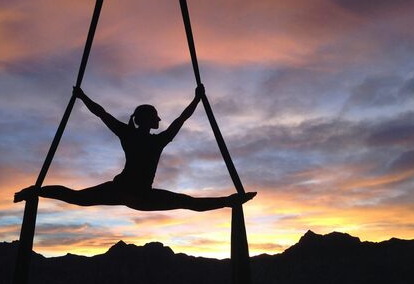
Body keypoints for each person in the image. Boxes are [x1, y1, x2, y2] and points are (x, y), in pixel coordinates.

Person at [14, 85, 256, 211]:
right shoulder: (156, 140)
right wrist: (197, 100)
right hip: (137, 194)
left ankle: (35, 191)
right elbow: (181, 119)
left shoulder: (130, 134)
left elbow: (102, 114)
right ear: (148, 120)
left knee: (77, 197)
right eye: (157, 117)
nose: (160, 120)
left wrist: (82, 97)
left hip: (125, 191)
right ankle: (229, 201)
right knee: (187, 202)